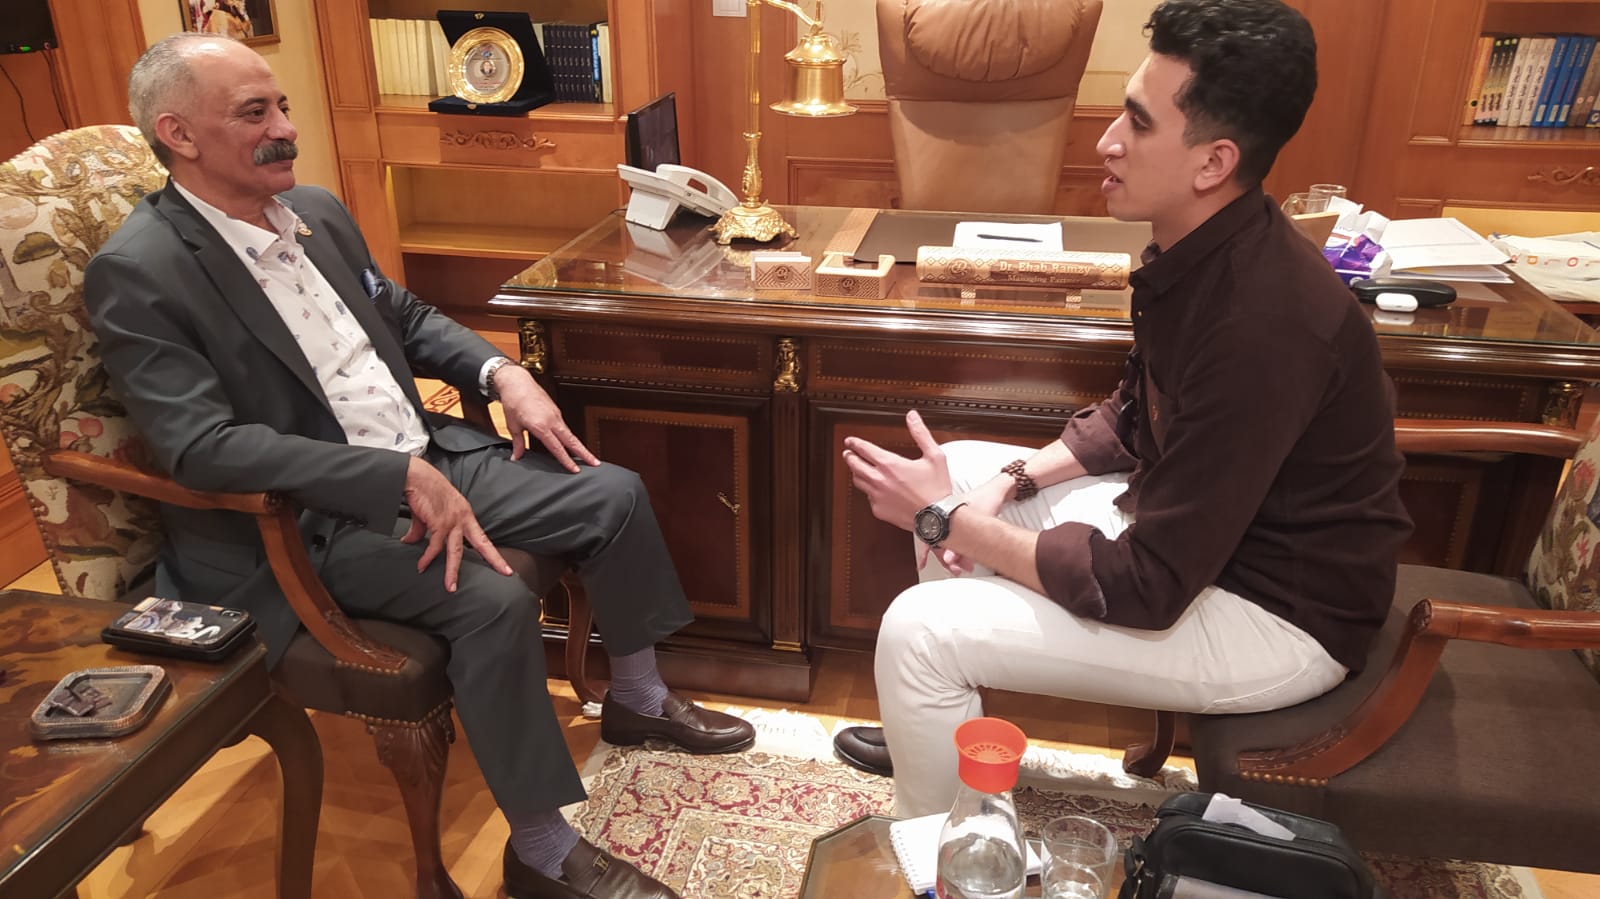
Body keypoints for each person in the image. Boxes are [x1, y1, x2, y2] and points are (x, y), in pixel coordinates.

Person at [89, 33, 754, 899]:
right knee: (492, 598)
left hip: (428, 455)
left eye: (281, 105)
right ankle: (541, 849)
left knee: (611, 494)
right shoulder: (141, 270)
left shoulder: (314, 211)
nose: (287, 127)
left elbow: (400, 314)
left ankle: (636, 695)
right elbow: (198, 445)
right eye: (255, 113)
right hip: (307, 520)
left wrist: (502, 373)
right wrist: (391, 478)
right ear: (177, 134)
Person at [831, 0, 1413, 818]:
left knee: (916, 627)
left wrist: (947, 521)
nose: (1106, 140)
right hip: (1207, 551)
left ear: (1213, 163)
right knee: (960, 467)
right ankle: (937, 729)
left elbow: (1150, 583)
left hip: (1276, 614)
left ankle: (947, 851)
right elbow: (1133, 414)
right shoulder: (1202, 247)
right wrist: (1001, 485)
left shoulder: (1262, 323)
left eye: (1137, 123)